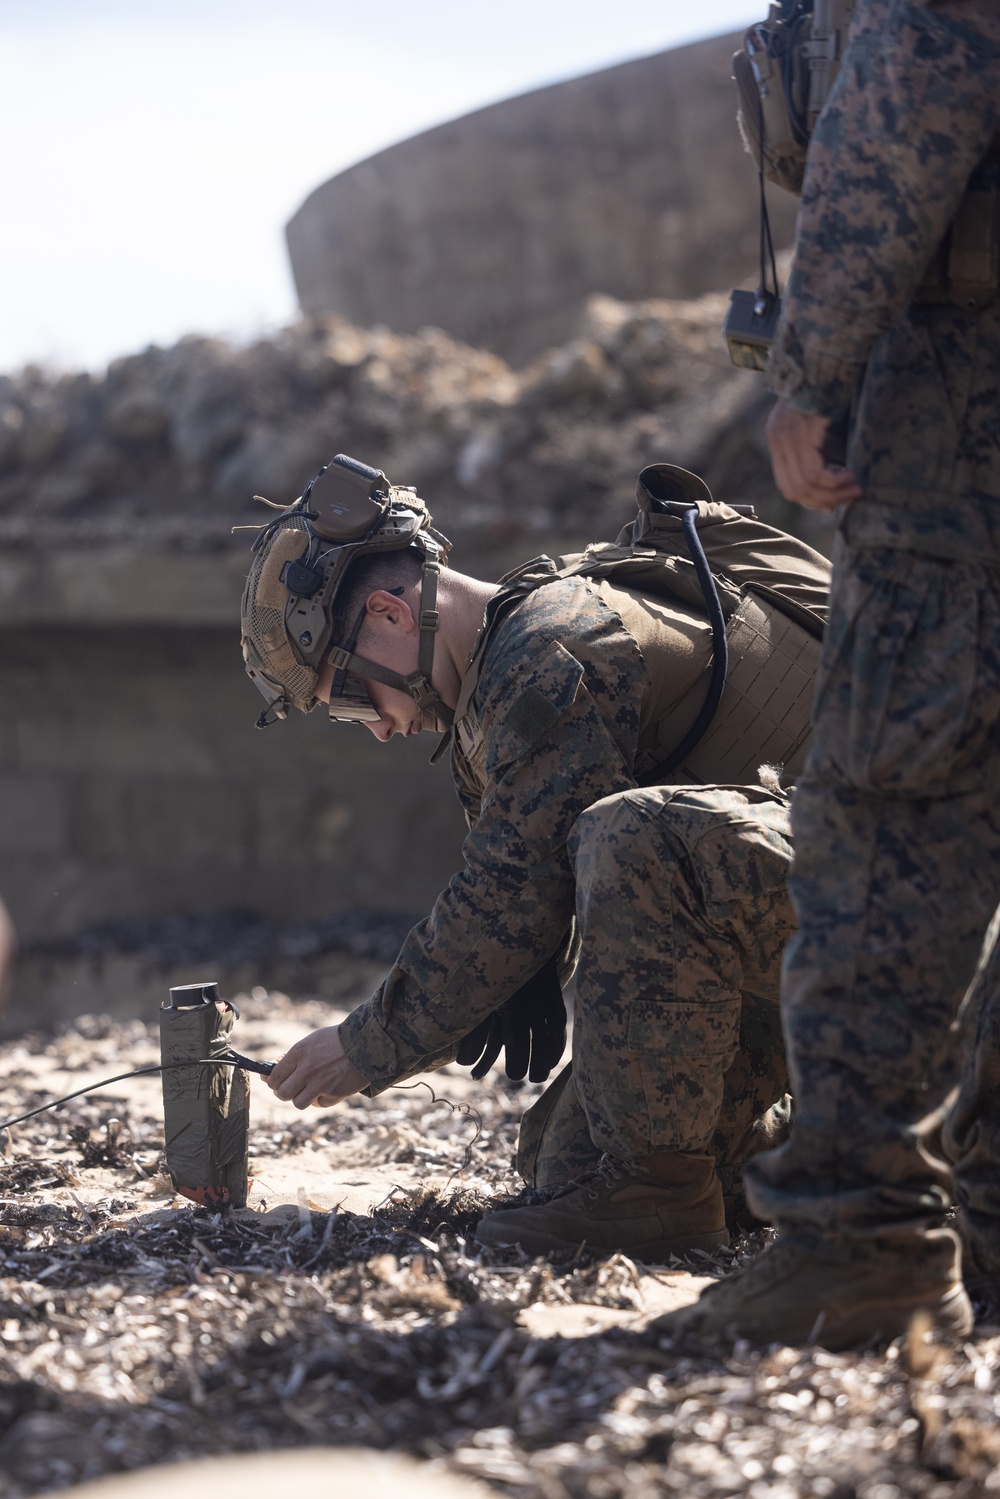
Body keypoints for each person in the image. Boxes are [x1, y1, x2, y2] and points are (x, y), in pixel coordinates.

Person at [241, 453, 830, 1260]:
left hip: (899, 891)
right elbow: (518, 897)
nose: (376, 727)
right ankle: (859, 1137)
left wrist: (365, 1044)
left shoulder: (551, 651)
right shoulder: (492, 683)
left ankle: (694, 1187)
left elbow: (512, 893)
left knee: (628, 838)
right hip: (791, 912)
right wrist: (512, 969)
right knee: (565, 1161)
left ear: (386, 611)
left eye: (350, 698)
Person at [658, 0, 1000, 1348]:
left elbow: (910, 91)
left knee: (884, 828)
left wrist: (808, 369)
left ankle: (858, 1238)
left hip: (958, 430)